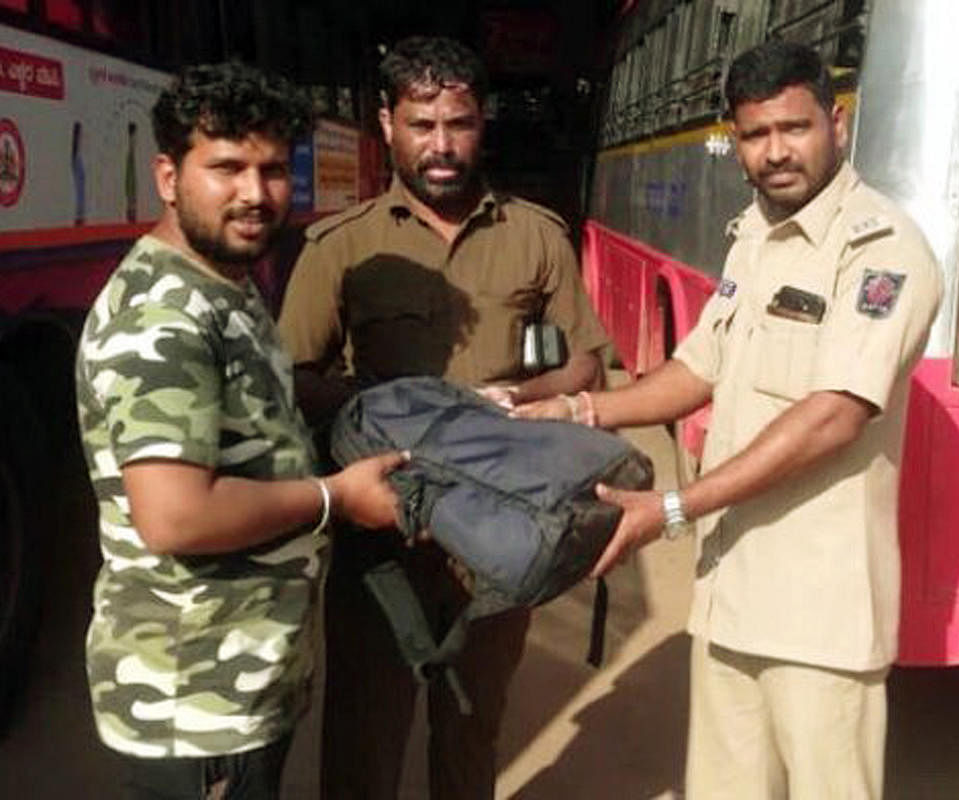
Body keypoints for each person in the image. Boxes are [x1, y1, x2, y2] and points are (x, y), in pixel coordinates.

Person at [515, 40, 943, 799]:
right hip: (732, 592)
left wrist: (674, 507)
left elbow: (833, 417)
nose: (776, 153)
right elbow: (695, 370)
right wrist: (581, 407)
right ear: (735, 142)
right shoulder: (753, 238)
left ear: (836, 124)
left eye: (794, 128)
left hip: (819, 616)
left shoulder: (883, 251)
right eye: (755, 135)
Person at [276, 36, 610, 800]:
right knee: (364, 740)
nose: (441, 145)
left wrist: (524, 400)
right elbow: (294, 377)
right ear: (385, 121)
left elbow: (585, 361)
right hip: (380, 536)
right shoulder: (341, 245)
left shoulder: (536, 235)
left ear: (480, 121)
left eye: (457, 123)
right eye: (421, 124)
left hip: (499, 535)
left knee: (471, 729)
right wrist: (400, 415)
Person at [75, 62, 404, 800]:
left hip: (244, 682)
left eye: (273, 170)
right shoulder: (162, 315)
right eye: (226, 168)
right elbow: (176, 515)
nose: (255, 195)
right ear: (168, 176)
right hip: (192, 703)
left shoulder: (224, 283)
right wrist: (335, 498)